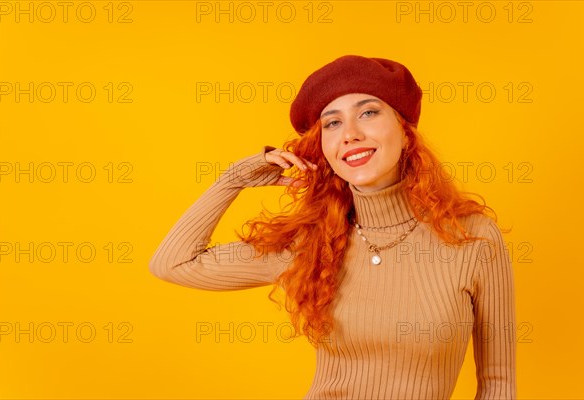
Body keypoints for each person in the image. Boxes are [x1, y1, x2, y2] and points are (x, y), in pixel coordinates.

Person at [149, 55, 516, 399]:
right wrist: (233, 179)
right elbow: (173, 263)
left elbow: (498, 382)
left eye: (369, 112)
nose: (350, 133)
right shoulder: (311, 243)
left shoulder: (472, 238)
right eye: (333, 122)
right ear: (323, 147)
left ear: (406, 133)